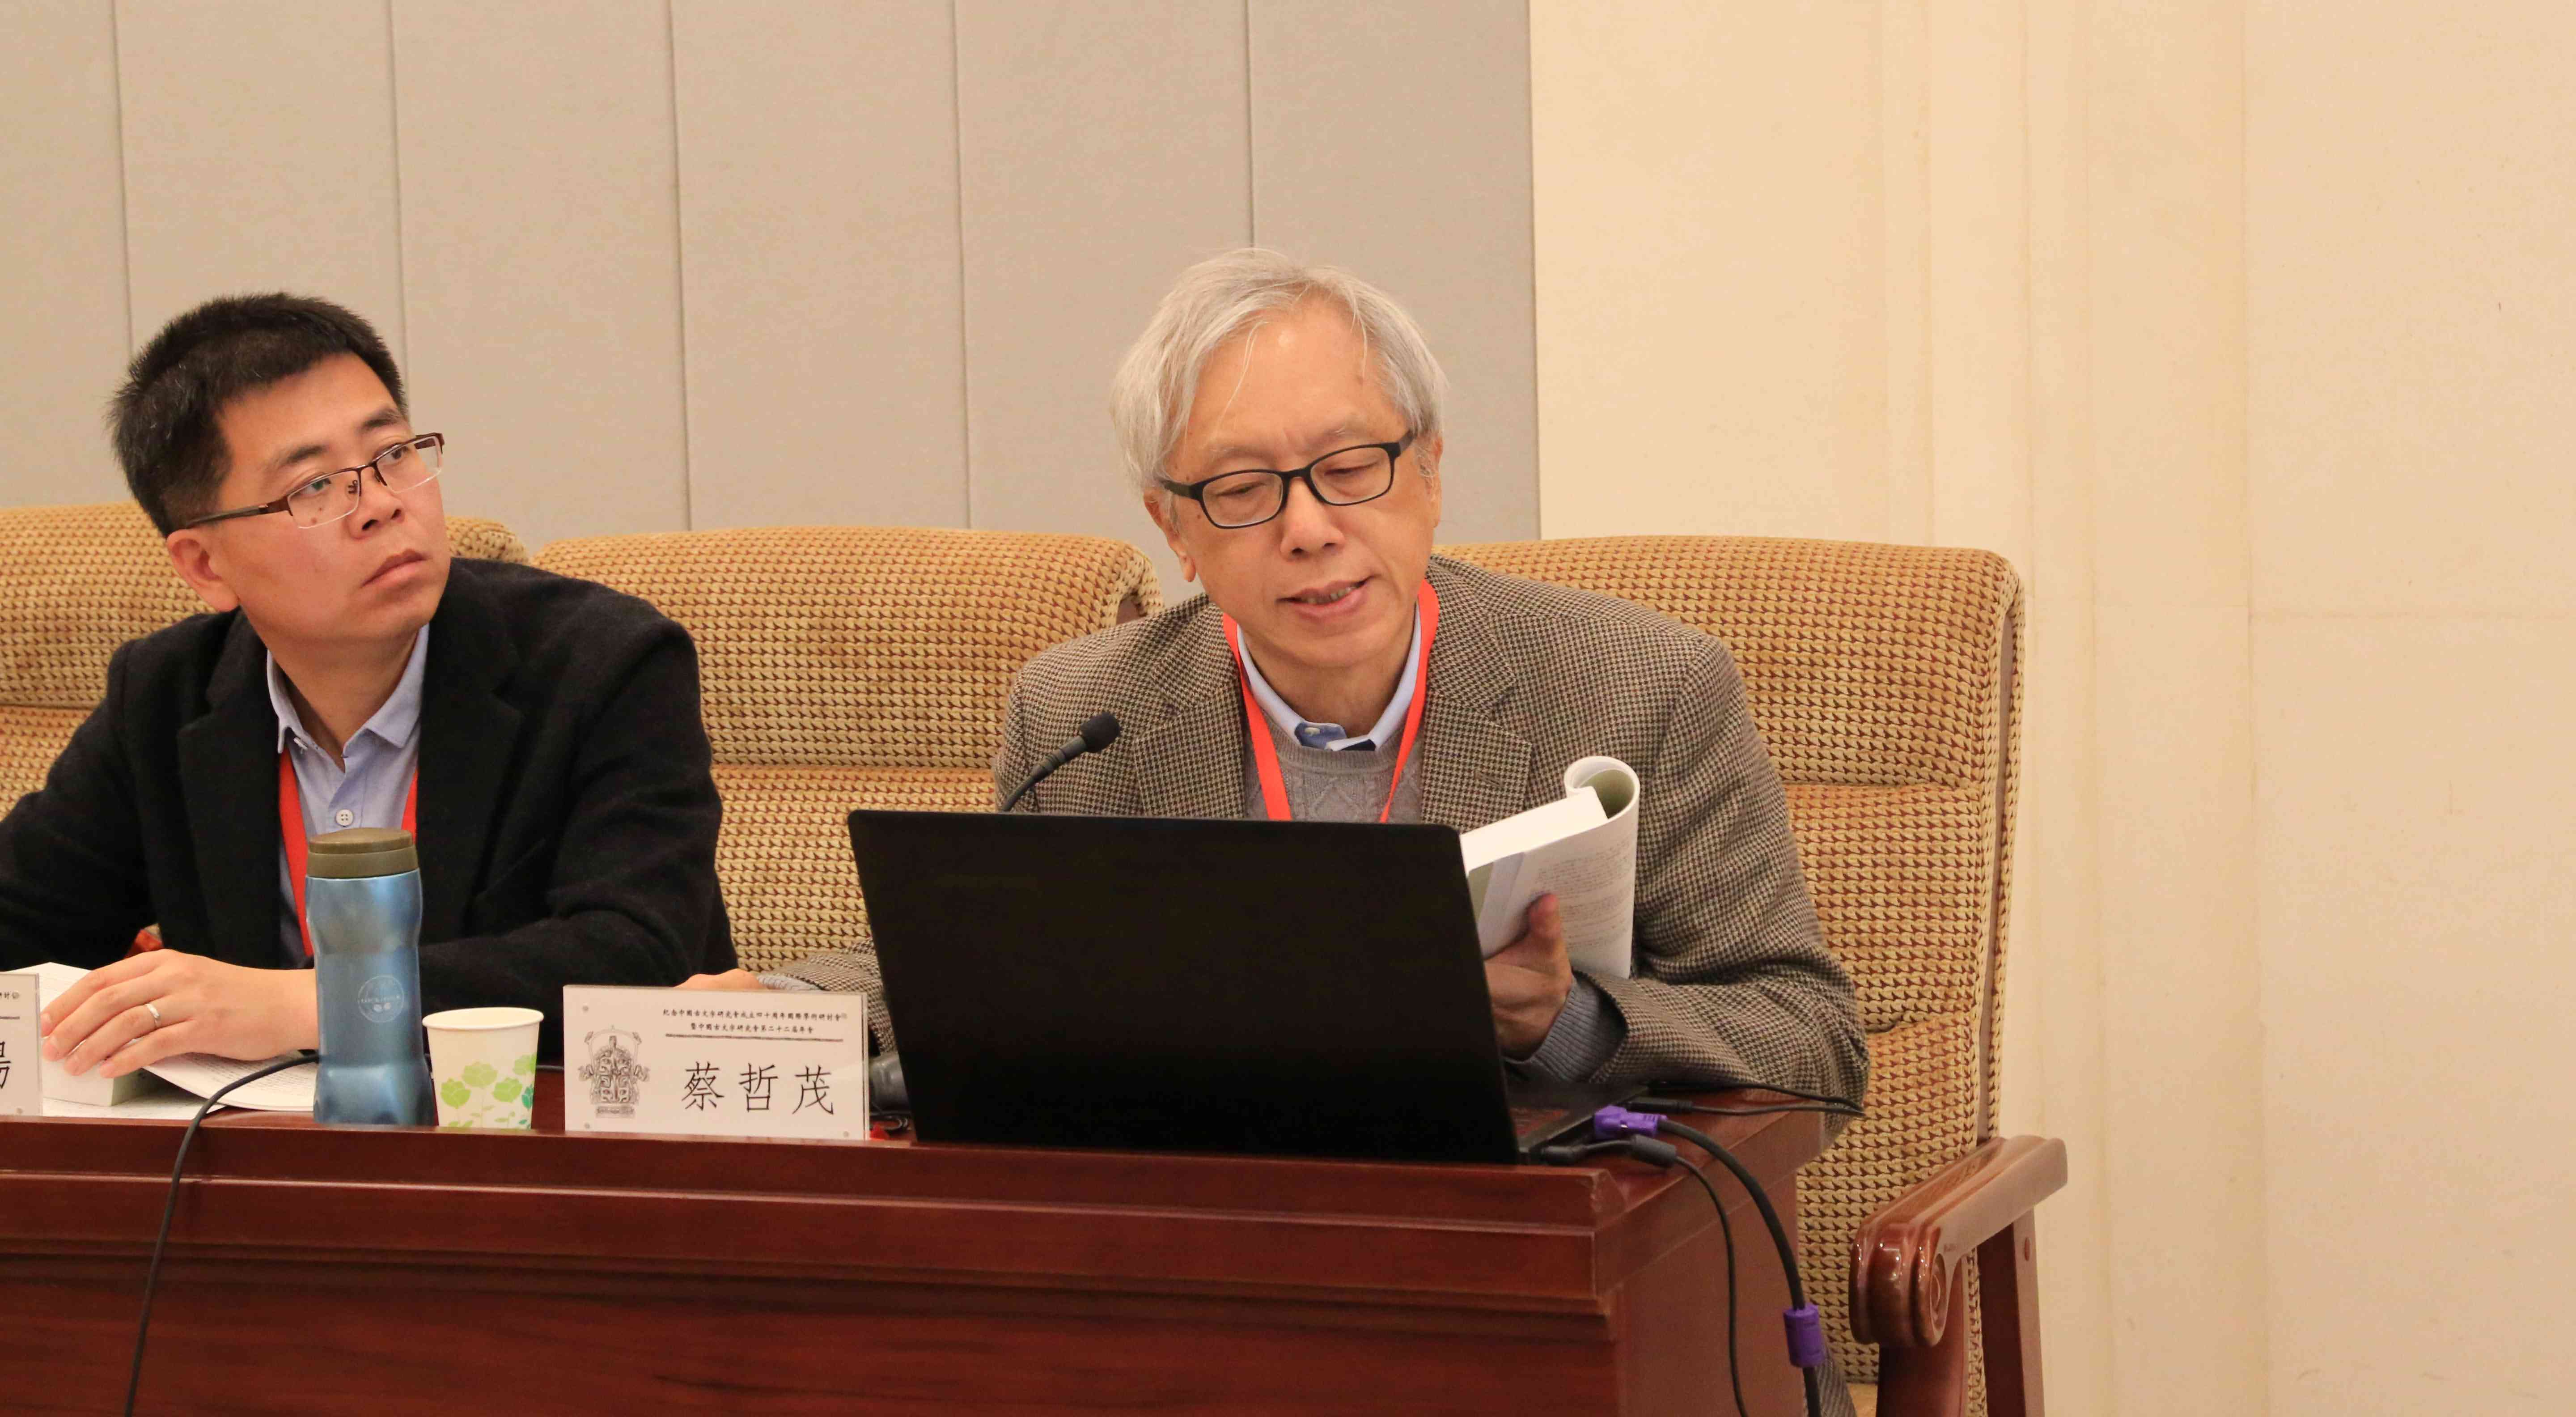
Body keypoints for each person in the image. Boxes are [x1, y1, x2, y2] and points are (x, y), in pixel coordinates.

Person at [722, 250, 1865, 1109]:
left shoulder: (1642, 685)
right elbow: (999, 977)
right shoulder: (1086, 715)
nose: (1309, 528)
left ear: (1429, 473)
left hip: (1527, 1252)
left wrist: (1562, 1023)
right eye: (1241, 490)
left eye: (1350, 468)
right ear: (1175, 530)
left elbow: (1807, 1032)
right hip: (1215, 1246)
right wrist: (778, 1011)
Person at [0, 294, 734, 1073]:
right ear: (206, 565)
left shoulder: (604, 663)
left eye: (394, 455)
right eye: (315, 487)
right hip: (256, 1138)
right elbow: (21, 926)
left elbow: (636, 956)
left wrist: (307, 1006)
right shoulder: (163, 698)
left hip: (533, 1130)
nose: (381, 505)